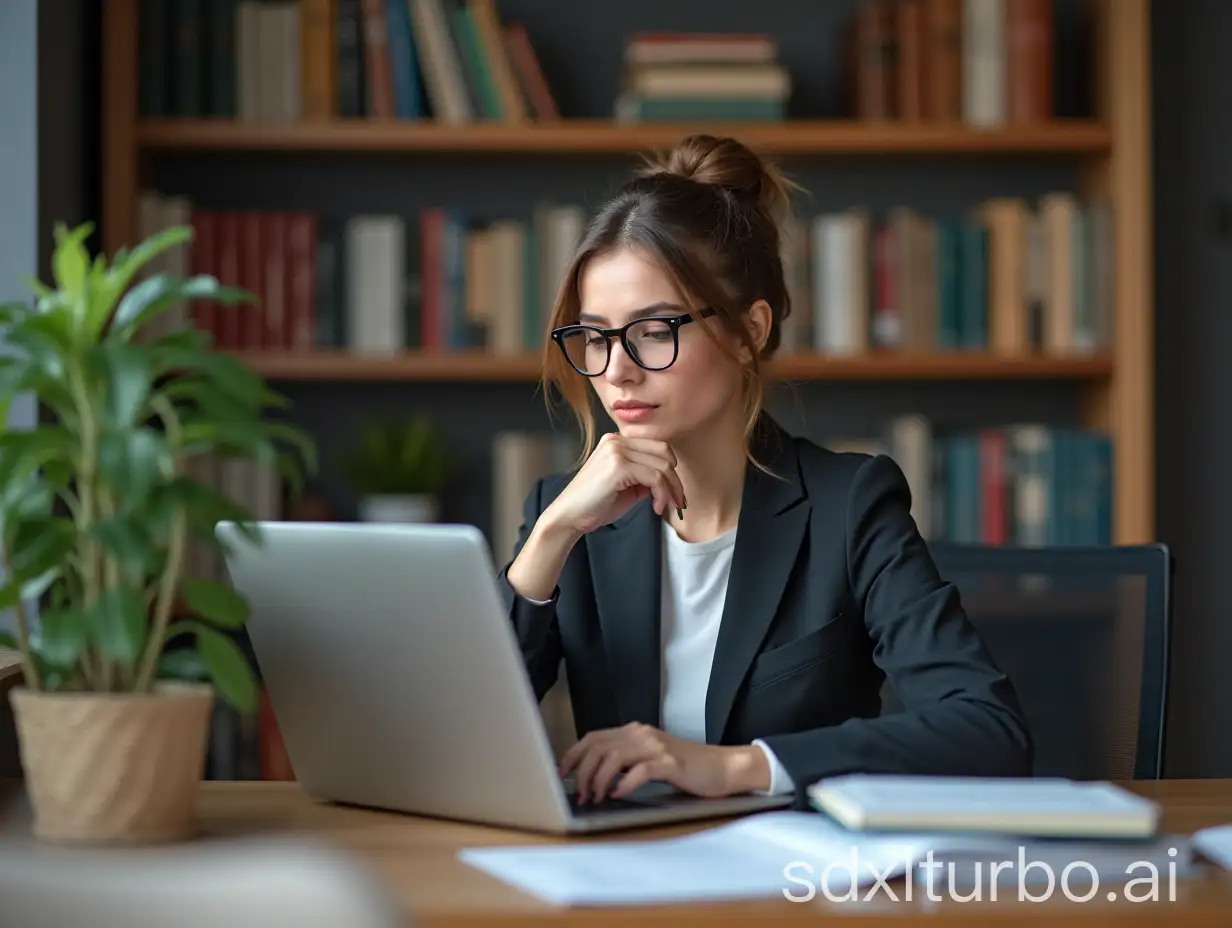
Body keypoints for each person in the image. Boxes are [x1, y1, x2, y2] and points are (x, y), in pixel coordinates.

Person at [499, 134, 1033, 809]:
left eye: (656, 330)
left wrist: (735, 767)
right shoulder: (568, 512)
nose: (616, 370)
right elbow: (453, 741)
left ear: (750, 332)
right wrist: (550, 537)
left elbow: (989, 731)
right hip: (627, 881)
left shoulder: (848, 506)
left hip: (797, 886)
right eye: (596, 336)